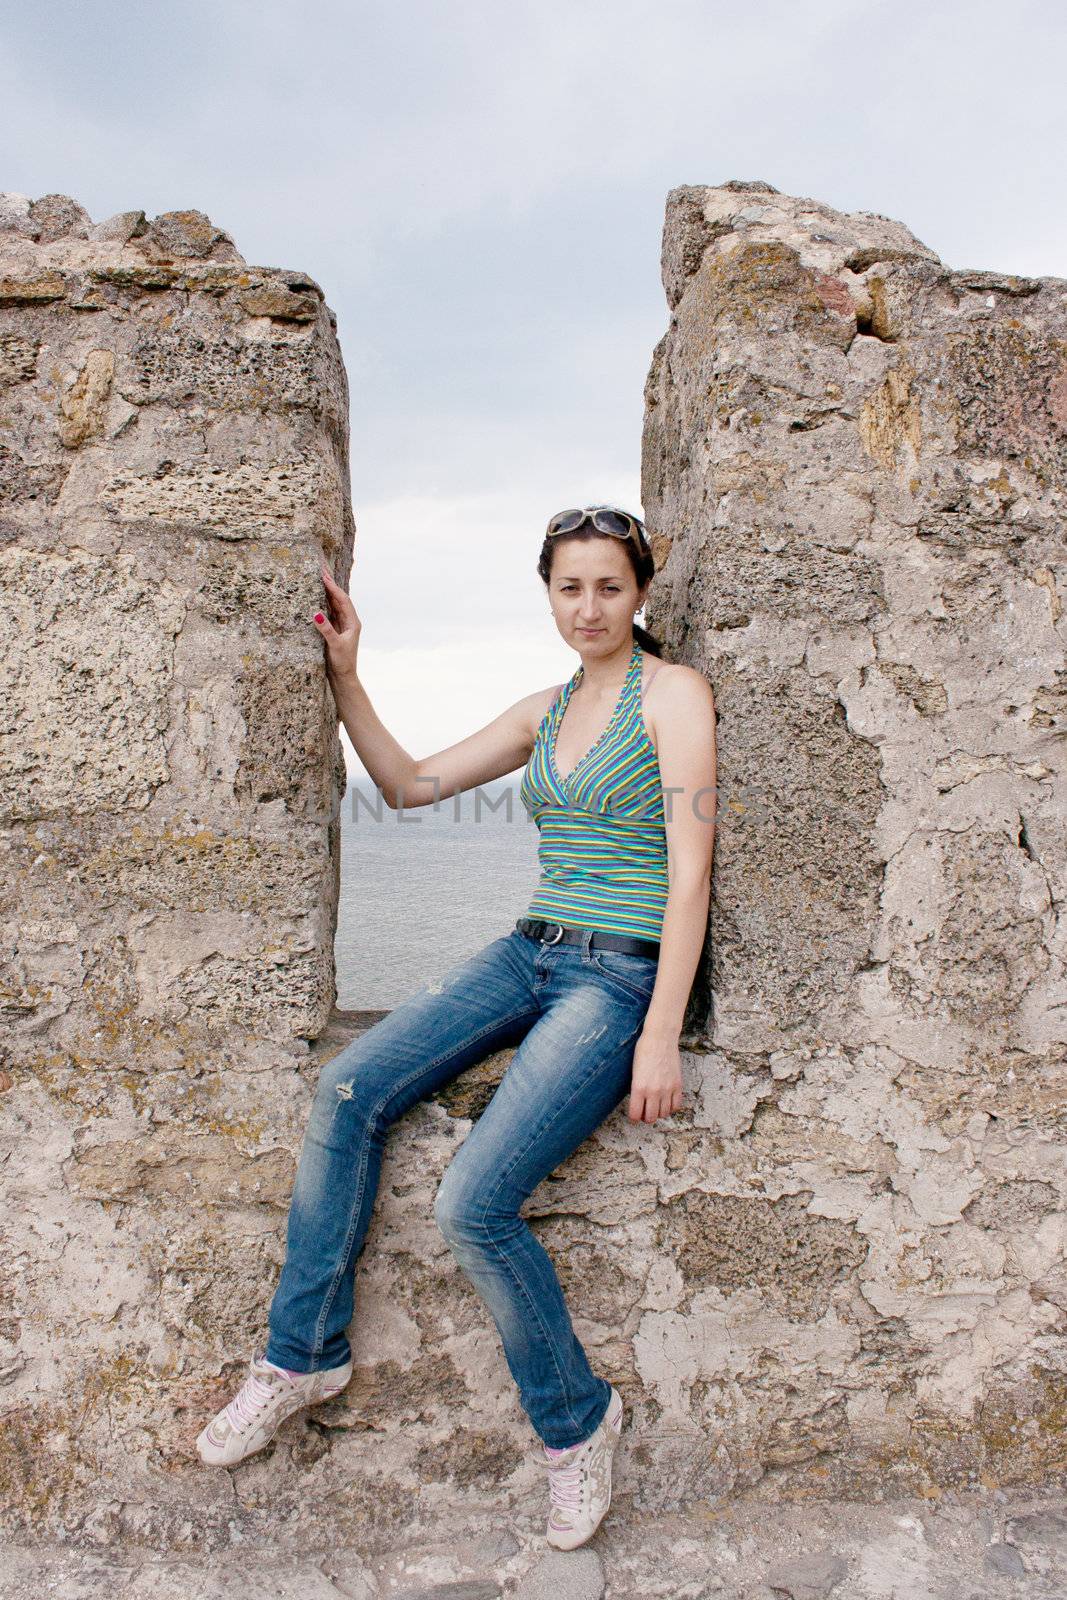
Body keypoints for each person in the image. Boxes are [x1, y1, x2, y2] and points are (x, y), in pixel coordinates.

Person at [195, 504, 717, 1550]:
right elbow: (406, 784)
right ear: (548, 595)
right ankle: (300, 1357)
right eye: (568, 587)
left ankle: (578, 1423)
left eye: (608, 586)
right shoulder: (545, 706)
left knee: (473, 1202)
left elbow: (690, 867)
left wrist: (659, 1030)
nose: (588, 606)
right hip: (528, 948)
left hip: (614, 980)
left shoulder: (675, 696)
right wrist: (348, 674)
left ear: (641, 592)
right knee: (345, 1087)